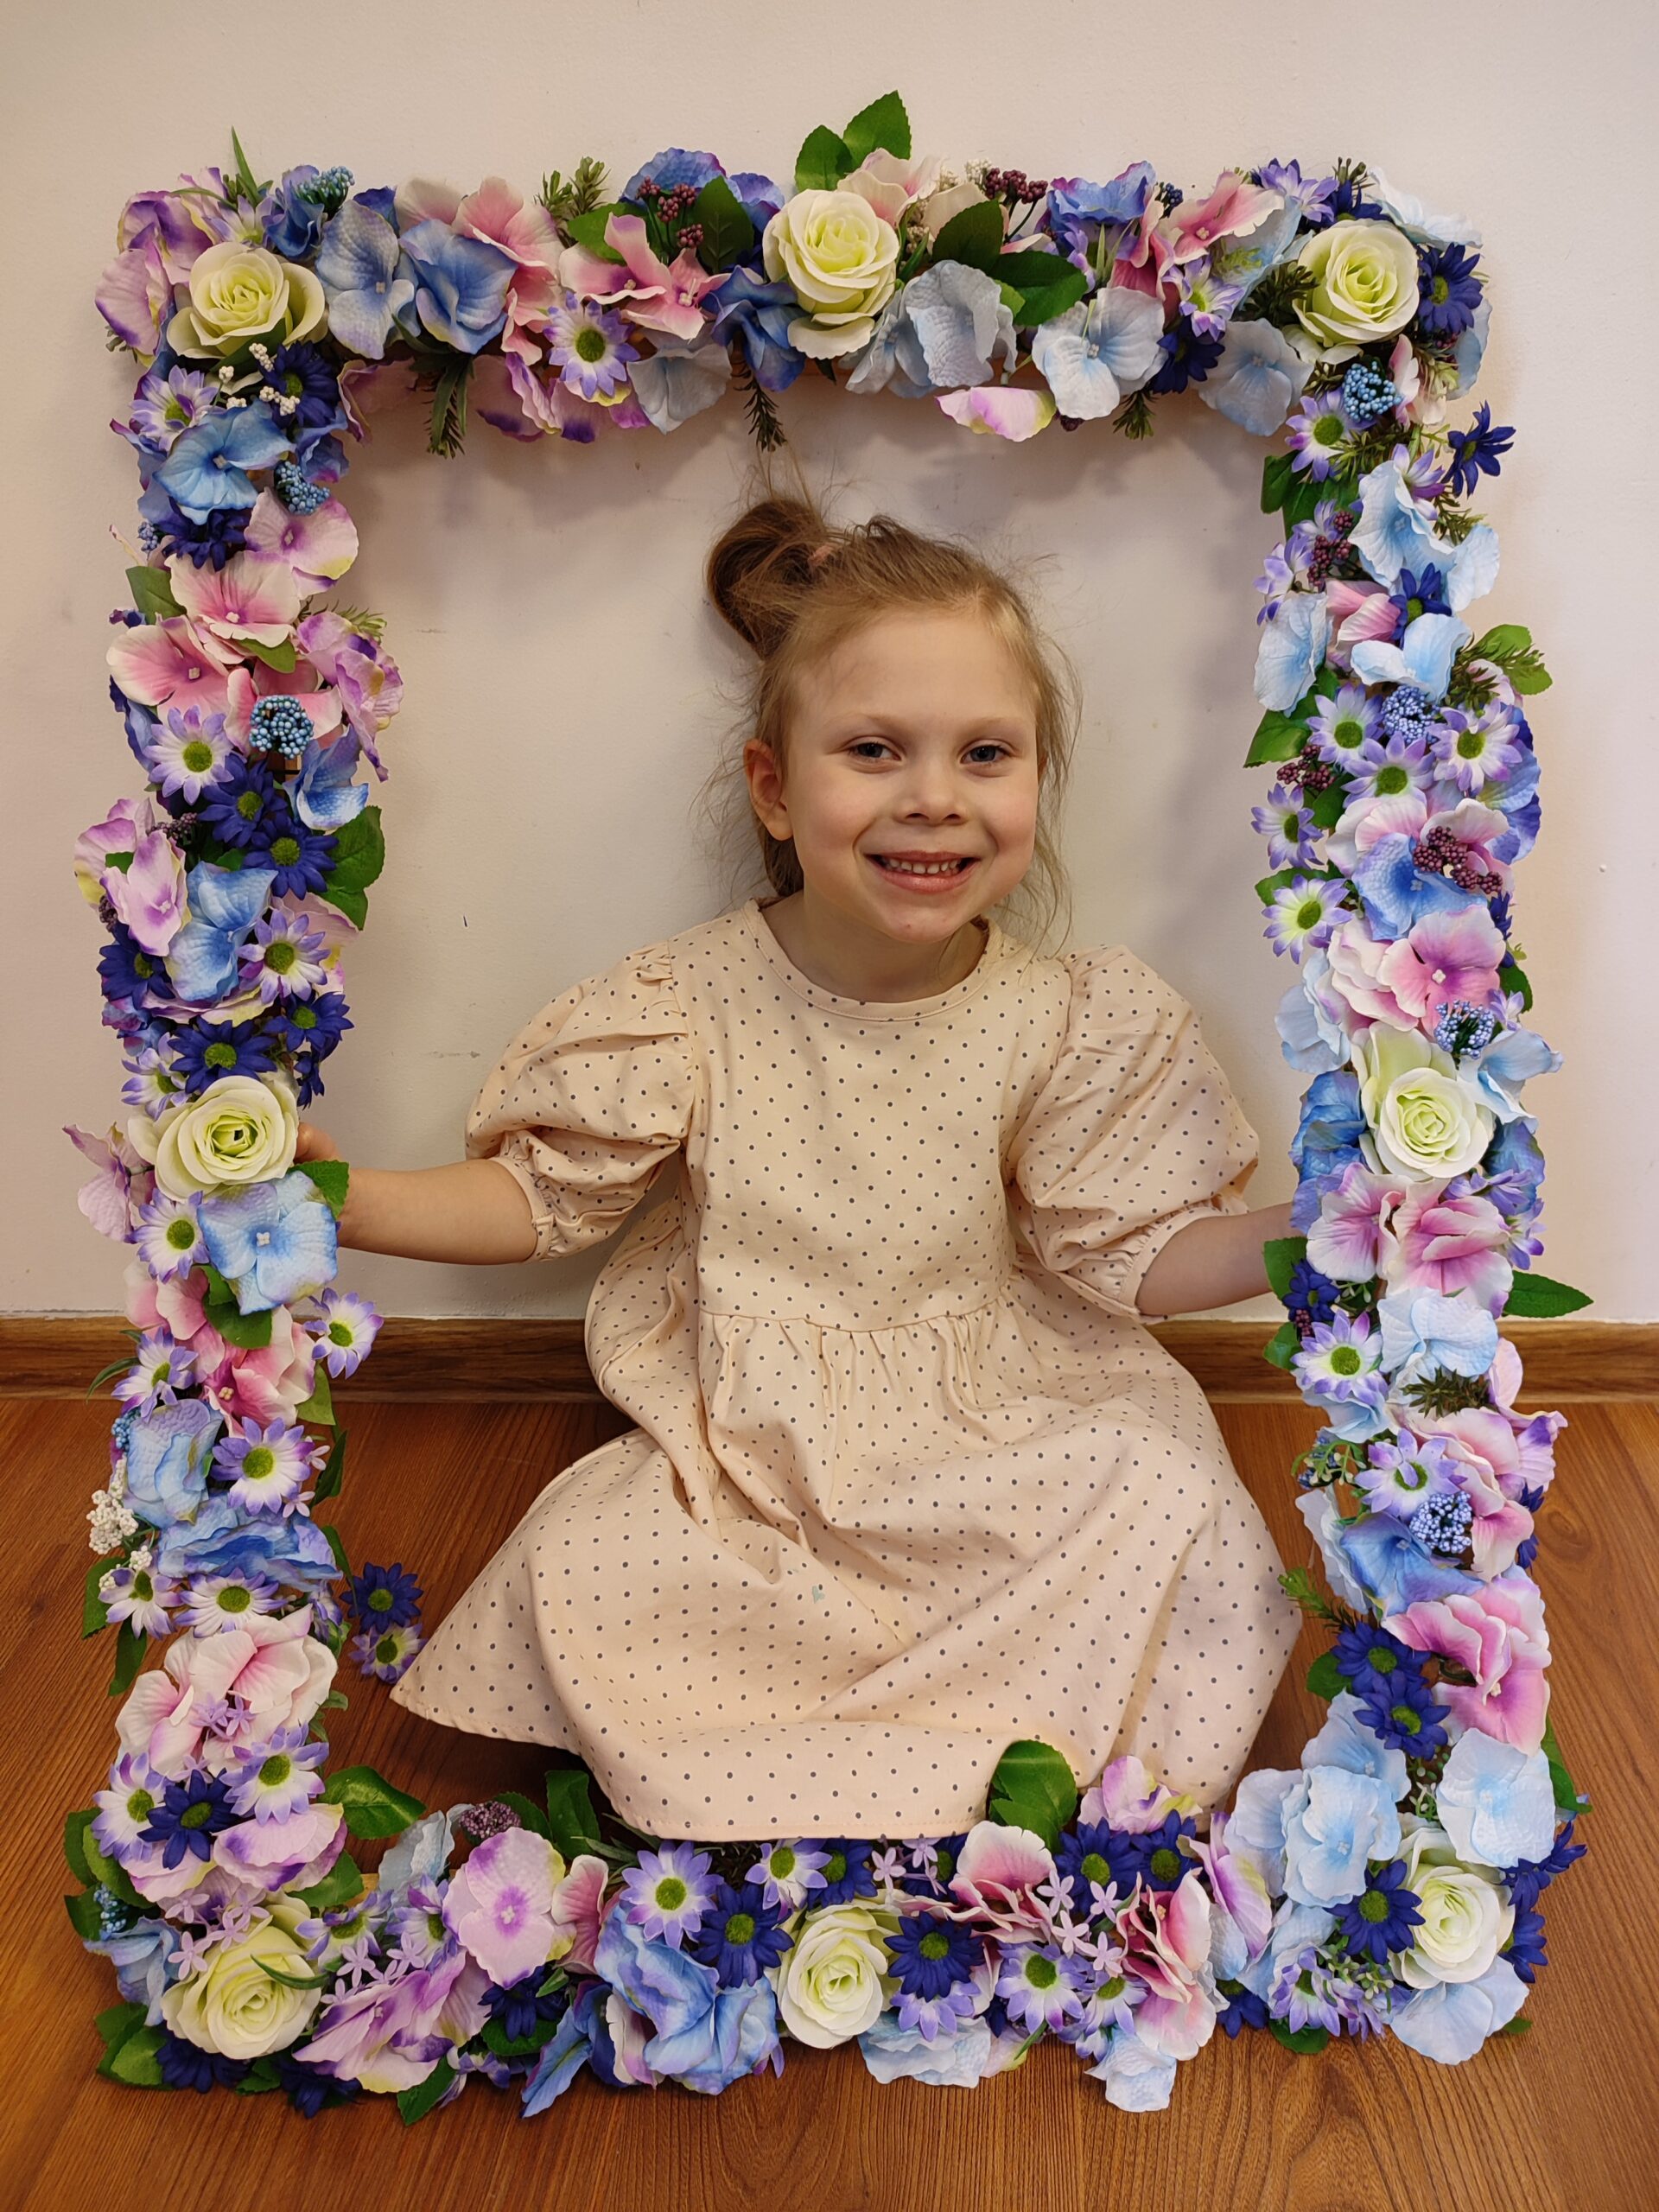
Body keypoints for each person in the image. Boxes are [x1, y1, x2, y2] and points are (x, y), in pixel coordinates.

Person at [294, 485, 1303, 1846]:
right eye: (874, 751)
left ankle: (1005, 1765)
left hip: (994, 1419)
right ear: (775, 789)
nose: (932, 799)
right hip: (761, 1455)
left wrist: (1320, 1231)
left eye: (987, 754)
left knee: (1167, 1490)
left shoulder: (1062, 1013)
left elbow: (1135, 1252)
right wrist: (343, 1201)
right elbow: (539, 1196)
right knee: (588, 1560)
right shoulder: (689, 1003)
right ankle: (844, 1767)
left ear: (1037, 781)